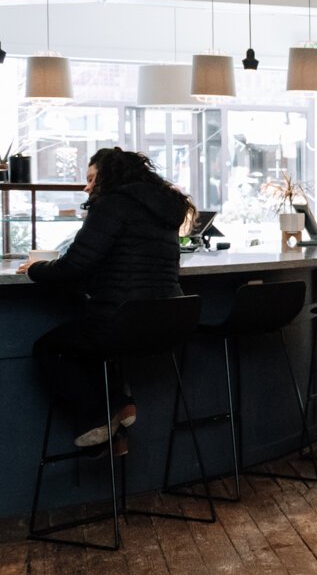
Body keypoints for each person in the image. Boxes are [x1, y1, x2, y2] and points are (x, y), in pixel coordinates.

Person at [21, 147, 196, 447]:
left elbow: (74, 265)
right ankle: (118, 409)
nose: (86, 187)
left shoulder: (112, 204)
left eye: (91, 178)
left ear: (109, 176)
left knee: (49, 349)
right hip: (168, 322)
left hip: (125, 322)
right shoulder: (165, 207)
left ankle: (100, 416)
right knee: (96, 339)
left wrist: (34, 268)